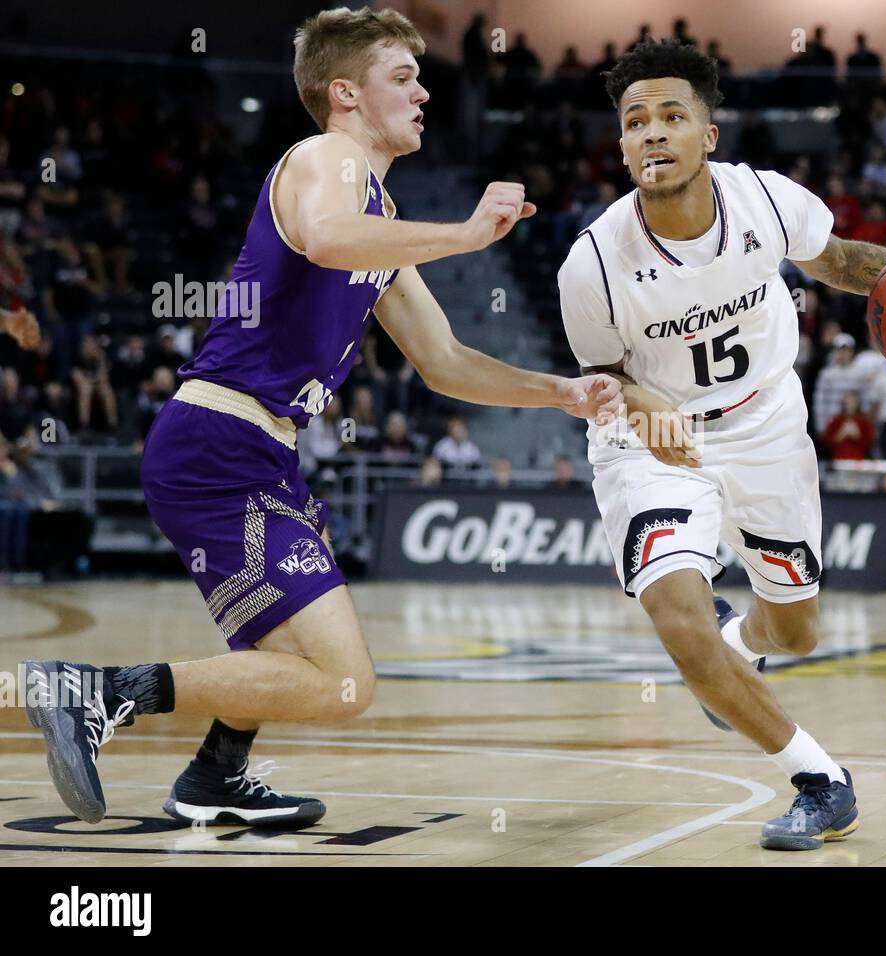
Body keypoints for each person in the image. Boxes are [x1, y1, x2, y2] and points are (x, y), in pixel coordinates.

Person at [24, 7, 621, 830]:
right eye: (402, 77)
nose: (422, 93)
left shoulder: (374, 211)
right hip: (219, 444)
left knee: (284, 649)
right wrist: (462, 232)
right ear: (345, 94)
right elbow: (323, 236)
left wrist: (561, 391)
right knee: (346, 683)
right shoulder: (325, 158)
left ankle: (215, 774)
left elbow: (444, 361)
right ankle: (94, 692)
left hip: (256, 453)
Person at [558, 39, 886, 850]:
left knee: (794, 632)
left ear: (708, 136)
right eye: (635, 122)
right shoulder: (590, 263)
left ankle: (738, 645)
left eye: (671, 116)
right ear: (621, 145)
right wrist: (639, 400)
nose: (652, 133)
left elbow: (839, 262)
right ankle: (821, 781)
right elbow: (598, 378)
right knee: (678, 622)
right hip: (652, 447)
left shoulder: (766, 202)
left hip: (768, 426)